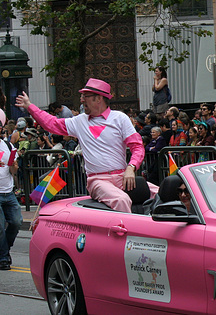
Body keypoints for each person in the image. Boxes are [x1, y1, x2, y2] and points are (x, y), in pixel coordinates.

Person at [15, 78, 158, 213]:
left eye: (85, 96)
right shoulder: (79, 121)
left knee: (162, 193)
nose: (81, 100)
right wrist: (30, 106)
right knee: (121, 200)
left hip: (122, 177)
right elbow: (51, 123)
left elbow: (137, 146)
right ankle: (128, 237)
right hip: (98, 180)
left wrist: (131, 168)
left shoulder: (120, 118)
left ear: (99, 98)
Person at [0, 98, 21, 271]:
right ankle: (4, 258)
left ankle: (3, 249)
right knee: (0, 226)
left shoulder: (7, 145)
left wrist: (14, 167)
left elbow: (14, 171)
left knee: (16, 222)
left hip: (8, 192)